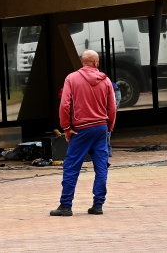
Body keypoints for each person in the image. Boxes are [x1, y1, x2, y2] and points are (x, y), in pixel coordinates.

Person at [50, 50, 117, 217]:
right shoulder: (106, 80)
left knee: (71, 166)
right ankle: (98, 205)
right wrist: (108, 128)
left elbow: (64, 105)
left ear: (83, 62)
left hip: (81, 129)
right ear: (95, 62)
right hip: (100, 127)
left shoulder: (71, 79)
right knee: (101, 167)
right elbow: (112, 107)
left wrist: (66, 128)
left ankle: (66, 205)